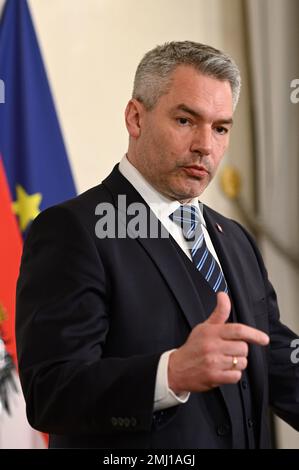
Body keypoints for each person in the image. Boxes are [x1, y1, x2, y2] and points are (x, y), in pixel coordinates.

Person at [16, 41, 299, 449]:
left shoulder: (235, 240)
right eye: (186, 121)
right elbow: (51, 392)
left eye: (221, 128)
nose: (206, 144)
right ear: (135, 118)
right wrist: (170, 374)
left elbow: (272, 358)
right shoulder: (74, 230)